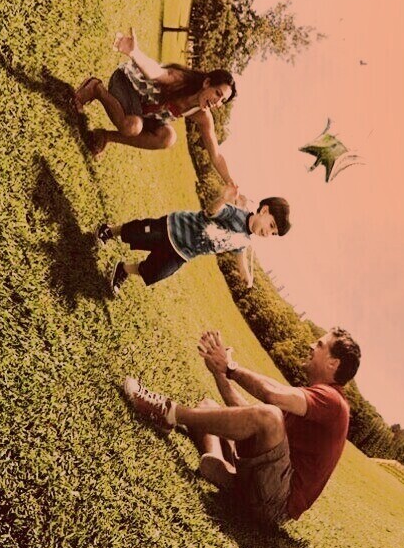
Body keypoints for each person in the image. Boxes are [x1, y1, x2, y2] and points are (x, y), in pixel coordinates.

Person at [123, 327, 360, 527]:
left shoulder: (333, 402)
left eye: (319, 345)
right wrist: (219, 373)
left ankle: (168, 412)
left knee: (270, 415)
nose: (311, 346)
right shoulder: (316, 397)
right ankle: (225, 470)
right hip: (265, 483)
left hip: (276, 502)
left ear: (333, 363)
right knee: (208, 406)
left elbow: (271, 398)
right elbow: (248, 416)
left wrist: (230, 367)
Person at [74, 27, 238, 184]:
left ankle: (105, 136)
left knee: (168, 137)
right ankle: (97, 89)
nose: (217, 103)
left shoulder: (202, 115)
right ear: (207, 83)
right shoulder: (181, 80)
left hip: (142, 110)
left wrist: (230, 182)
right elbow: (155, 71)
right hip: (127, 83)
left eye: (222, 101)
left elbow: (216, 155)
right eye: (217, 93)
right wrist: (135, 53)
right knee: (132, 126)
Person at [99, 183, 290, 296]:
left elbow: (241, 256)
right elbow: (210, 211)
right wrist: (223, 199)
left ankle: (123, 269)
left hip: (183, 253)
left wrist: (246, 276)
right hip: (173, 228)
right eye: (271, 225)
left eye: (273, 233)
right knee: (137, 232)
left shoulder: (245, 240)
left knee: (154, 272)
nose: (268, 233)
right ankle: (110, 231)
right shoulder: (236, 214)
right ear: (264, 210)